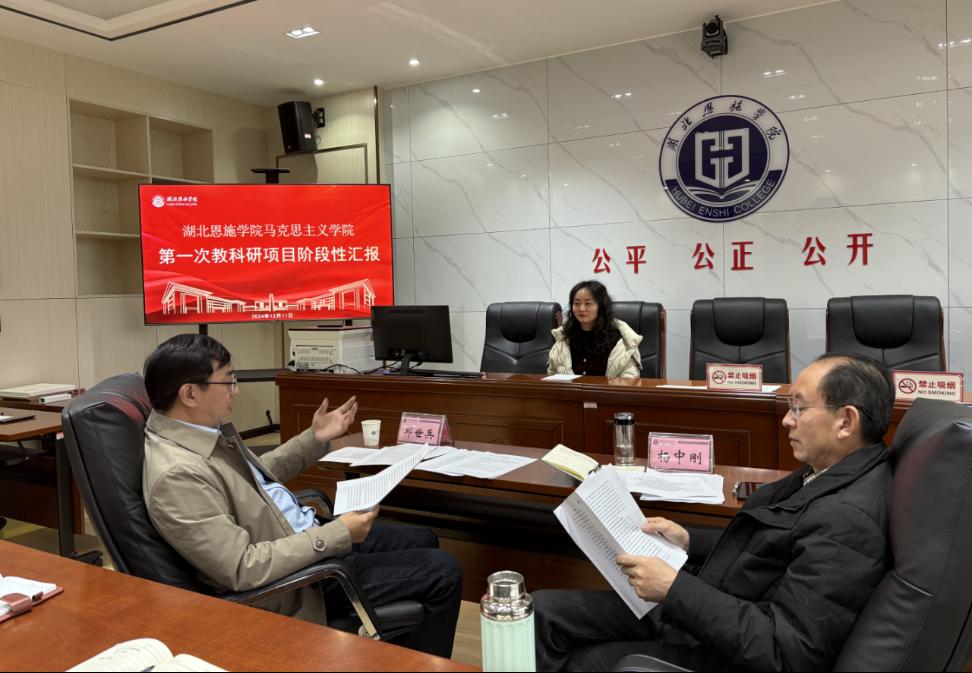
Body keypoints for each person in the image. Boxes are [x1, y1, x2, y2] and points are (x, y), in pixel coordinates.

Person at [534, 353, 895, 671]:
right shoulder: (833, 470)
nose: (787, 419)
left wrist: (674, 589)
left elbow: (785, 651)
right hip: (706, 609)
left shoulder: (847, 521)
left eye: (799, 408)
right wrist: (689, 540)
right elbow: (768, 543)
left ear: (846, 422)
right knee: (542, 611)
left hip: (716, 645)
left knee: (584, 661)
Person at [141, 334, 462, 658]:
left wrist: (314, 438)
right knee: (443, 571)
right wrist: (338, 534)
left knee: (423, 538)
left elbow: (254, 479)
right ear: (190, 393)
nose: (235, 391)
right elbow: (241, 566)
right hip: (301, 582)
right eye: (228, 382)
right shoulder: (177, 475)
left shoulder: (198, 433)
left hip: (300, 541)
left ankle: (396, 658)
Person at [548, 280, 642, 378]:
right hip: (568, 389)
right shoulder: (564, 337)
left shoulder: (621, 341)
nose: (581, 309)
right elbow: (551, 376)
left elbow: (630, 379)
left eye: (588, 303)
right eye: (577, 303)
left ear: (601, 306)